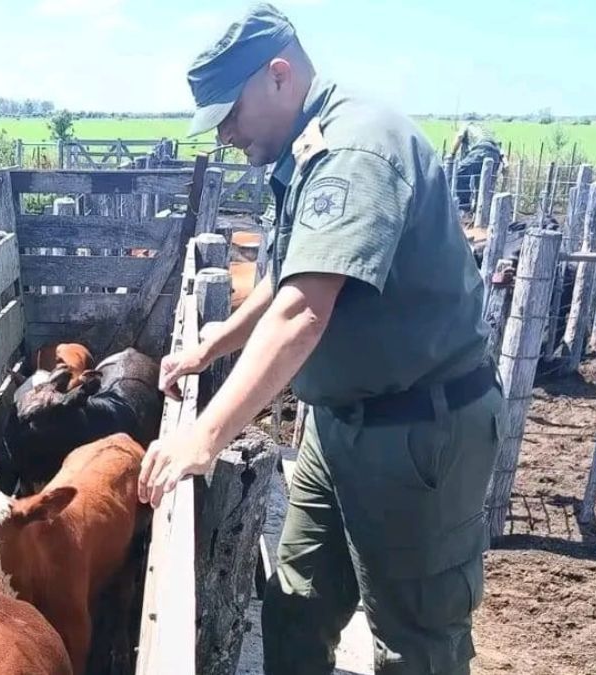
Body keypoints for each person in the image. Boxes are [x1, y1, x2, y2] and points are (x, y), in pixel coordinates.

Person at [138, 4, 504, 674]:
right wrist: (214, 342)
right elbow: (288, 276)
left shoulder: (352, 149)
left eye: (230, 114)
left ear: (278, 75)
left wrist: (204, 435)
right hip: (339, 427)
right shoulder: (306, 150)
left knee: (413, 641)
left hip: (419, 430)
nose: (225, 136)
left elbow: (304, 310)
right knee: (296, 603)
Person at [450, 124, 504, 212]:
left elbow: (459, 136)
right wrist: (505, 162)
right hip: (495, 154)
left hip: (480, 151)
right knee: (483, 183)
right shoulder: (487, 131)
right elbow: (500, 147)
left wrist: (452, 154)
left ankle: (464, 207)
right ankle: (480, 211)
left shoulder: (466, 125)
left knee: (460, 173)